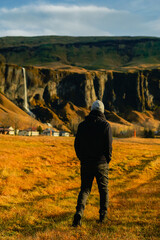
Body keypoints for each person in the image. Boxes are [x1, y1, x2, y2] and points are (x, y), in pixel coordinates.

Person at [72, 100, 112, 227]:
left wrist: (82, 158)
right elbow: (109, 146)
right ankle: (103, 216)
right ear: (102, 111)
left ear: (91, 110)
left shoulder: (82, 125)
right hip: (101, 163)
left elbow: (76, 145)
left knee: (85, 189)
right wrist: (107, 159)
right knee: (103, 189)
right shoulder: (106, 125)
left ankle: (79, 213)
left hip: (86, 163)